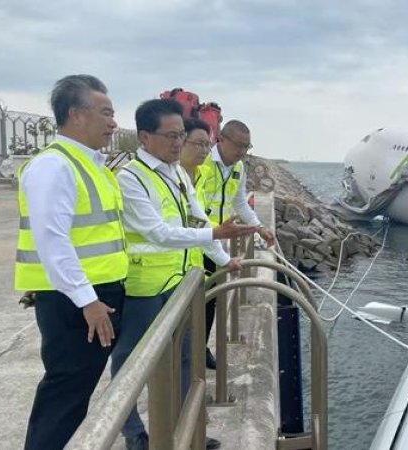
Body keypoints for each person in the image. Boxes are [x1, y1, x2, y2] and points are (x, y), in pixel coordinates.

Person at [112, 99, 256, 450]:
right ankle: (134, 433)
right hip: (144, 286)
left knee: (186, 356)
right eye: (171, 136)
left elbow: (197, 219)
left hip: (180, 282)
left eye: (181, 135)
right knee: (132, 362)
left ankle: (188, 428)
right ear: (145, 137)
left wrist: (223, 259)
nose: (178, 143)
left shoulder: (176, 173)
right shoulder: (131, 178)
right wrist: (215, 234)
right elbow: (158, 233)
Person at [17, 74, 127, 449]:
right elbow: (52, 241)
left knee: (75, 393)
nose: (113, 123)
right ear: (77, 114)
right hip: (74, 301)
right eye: (105, 113)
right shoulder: (55, 166)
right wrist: (88, 301)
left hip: (93, 295)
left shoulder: (91, 165)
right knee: (65, 393)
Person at [197, 120, 274, 369]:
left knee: (210, 300)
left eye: (246, 147)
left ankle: (199, 349)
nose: (242, 152)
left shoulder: (238, 167)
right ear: (222, 139)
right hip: (198, 239)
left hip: (217, 240)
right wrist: (223, 256)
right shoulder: (202, 164)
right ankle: (187, 353)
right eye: (238, 145)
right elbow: (194, 209)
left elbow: (239, 202)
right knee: (193, 299)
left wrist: (259, 227)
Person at [179, 117, 213, 272]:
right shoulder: (168, 177)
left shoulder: (202, 176)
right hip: (171, 270)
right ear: (181, 141)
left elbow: (197, 220)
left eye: (207, 145)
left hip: (195, 265)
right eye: (199, 144)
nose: (205, 150)